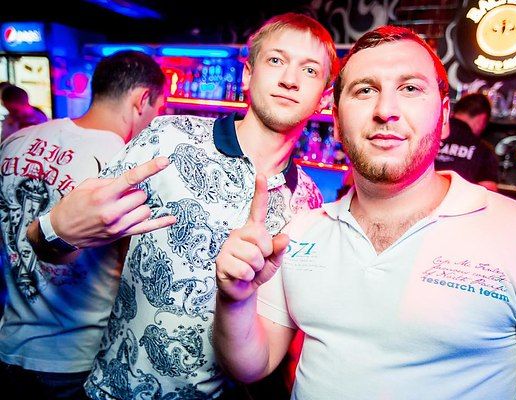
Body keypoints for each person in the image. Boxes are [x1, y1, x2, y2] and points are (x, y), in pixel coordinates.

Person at [214, 26, 516, 400]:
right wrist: (235, 300)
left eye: (410, 88)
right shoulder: (300, 231)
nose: (386, 110)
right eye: (365, 90)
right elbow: (254, 364)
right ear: (336, 121)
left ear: (444, 116)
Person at [25, 13, 338, 399]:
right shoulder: (170, 138)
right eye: (276, 60)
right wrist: (55, 232)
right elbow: (61, 245)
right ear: (247, 75)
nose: (290, 79)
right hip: (117, 389)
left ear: (325, 95)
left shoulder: (308, 202)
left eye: (309, 70)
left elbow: (271, 333)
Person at [0, 50, 166, 399]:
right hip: (77, 359)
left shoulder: (15, 141)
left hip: (10, 344)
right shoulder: (127, 167)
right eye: (158, 109)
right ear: (142, 100)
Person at [435, 92, 499, 191]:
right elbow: (489, 189)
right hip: (460, 200)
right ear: (482, 118)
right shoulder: (482, 150)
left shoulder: (429, 136)